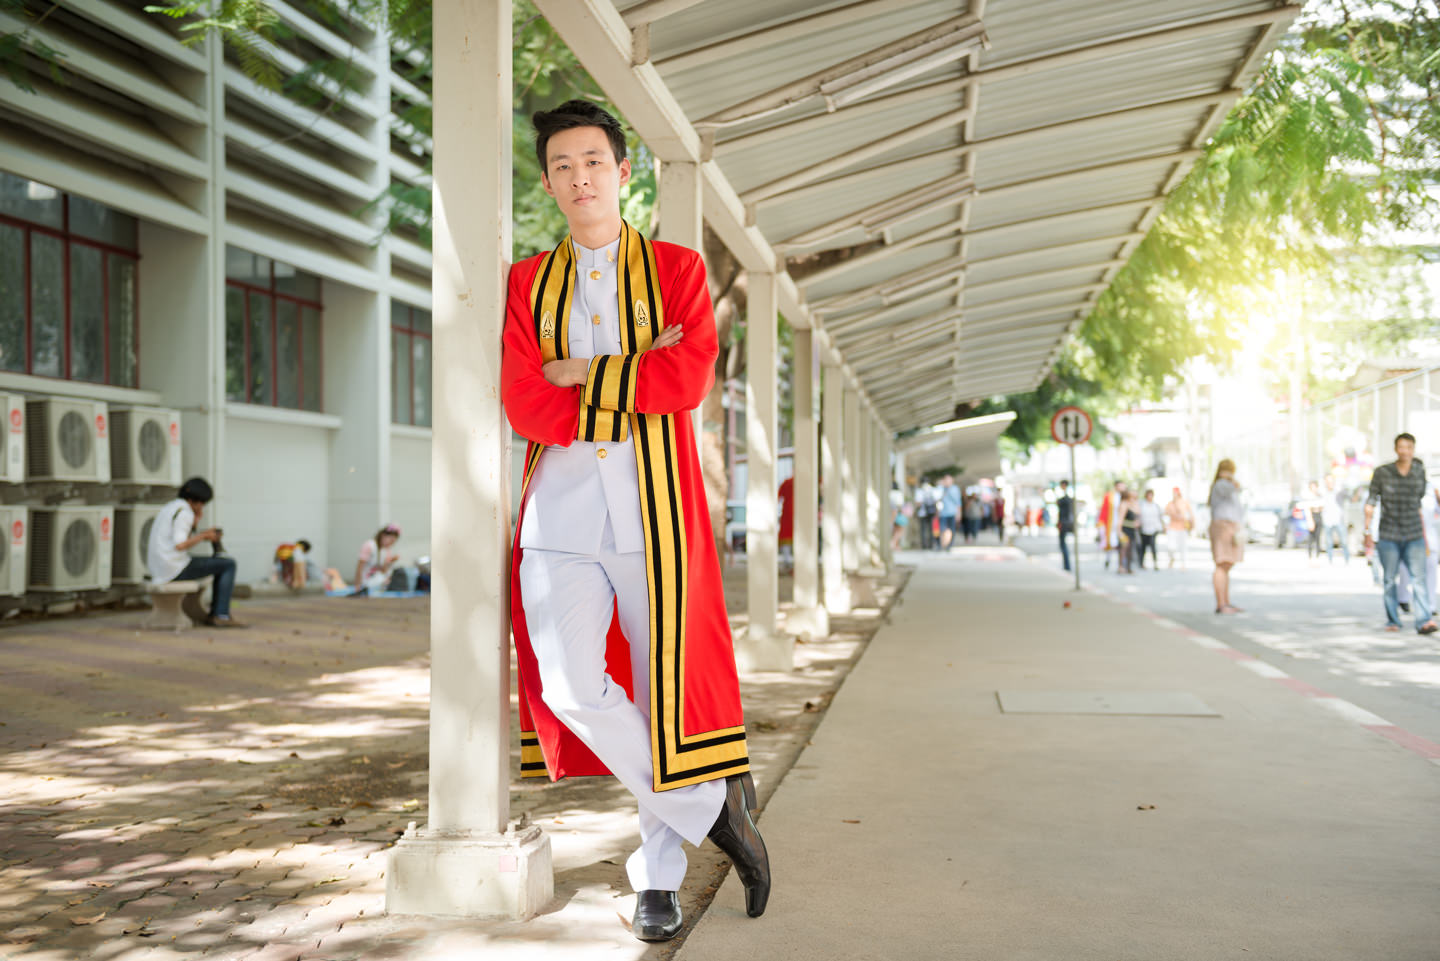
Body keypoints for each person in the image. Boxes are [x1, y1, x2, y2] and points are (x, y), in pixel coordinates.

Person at [499, 100, 767, 943]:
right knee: (572, 684)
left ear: (624, 172)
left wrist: (577, 371)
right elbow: (525, 402)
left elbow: (683, 383)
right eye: (564, 165)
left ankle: (658, 880)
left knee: (664, 697)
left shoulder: (681, 270)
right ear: (548, 182)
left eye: (594, 160)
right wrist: (628, 373)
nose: (581, 176)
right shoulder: (525, 282)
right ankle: (710, 807)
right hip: (560, 516)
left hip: (657, 513)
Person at [1364, 432, 1438, 634]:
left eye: (1409, 447)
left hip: (1413, 532)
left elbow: (1422, 495)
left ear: (1413, 449)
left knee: (1419, 579)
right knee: (1389, 579)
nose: (1405, 451)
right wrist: (1367, 530)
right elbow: (1371, 501)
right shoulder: (1382, 472)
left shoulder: (1418, 469)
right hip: (1389, 533)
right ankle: (1393, 620)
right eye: (1401, 447)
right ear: (1396, 449)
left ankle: (1424, 620)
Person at [146, 477, 244, 627]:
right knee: (228, 564)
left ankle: (214, 612)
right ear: (197, 501)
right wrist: (204, 535)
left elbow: (178, 540)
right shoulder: (185, 512)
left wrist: (197, 528)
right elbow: (180, 545)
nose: (202, 507)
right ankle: (221, 615)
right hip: (172, 570)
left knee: (217, 564)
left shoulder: (171, 507)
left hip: (160, 568)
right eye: (203, 503)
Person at [1208, 460, 1244, 614]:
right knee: (1222, 564)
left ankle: (1226, 602)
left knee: (1227, 565)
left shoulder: (1221, 485)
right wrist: (1229, 477)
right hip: (1223, 526)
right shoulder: (1221, 484)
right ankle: (1221, 604)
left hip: (1230, 525)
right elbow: (1235, 487)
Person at [355, 524, 401, 594]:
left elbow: (384, 571)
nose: (391, 544)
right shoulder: (370, 545)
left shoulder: (386, 550)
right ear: (383, 535)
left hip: (377, 580)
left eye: (393, 542)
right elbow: (359, 567)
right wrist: (358, 585)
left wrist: (390, 562)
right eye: (391, 540)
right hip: (366, 581)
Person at [1320, 474, 1349, 564]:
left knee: (1344, 541)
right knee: (1329, 542)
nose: (1330, 483)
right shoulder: (1322, 493)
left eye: (1331, 481)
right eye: (1328, 482)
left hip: (1338, 520)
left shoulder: (1338, 492)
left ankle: (1347, 560)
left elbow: (1348, 497)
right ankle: (1330, 561)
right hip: (1327, 520)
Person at [1163, 487, 1192, 569]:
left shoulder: (1185, 503)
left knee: (1183, 547)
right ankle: (1172, 558)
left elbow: (1190, 514)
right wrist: (1165, 525)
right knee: (1170, 547)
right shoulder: (1170, 504)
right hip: (1172, 527)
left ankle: (1183, 564)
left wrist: (1191, 524)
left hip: (1182, 528)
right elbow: (1165, 515)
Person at [1098, 480, 1125, 569]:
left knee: (1120, 542)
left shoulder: (1124, 496)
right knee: (1110, 543)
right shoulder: (1109, 496)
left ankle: (1121, 562)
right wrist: (1101, 522)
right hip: (1110, 523)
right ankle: (1108, 559)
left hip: (1121, 523)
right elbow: (1104, 509)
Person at [1137, 488, 1164, 570]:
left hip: (1153, 529)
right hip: (1144, 529)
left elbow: (1160, 517)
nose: (1150, 497)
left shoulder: (1155, 506)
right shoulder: (1142, 505)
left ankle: (1155, 563)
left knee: (1153, 546)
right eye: (1148, 495)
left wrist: (1162, 526)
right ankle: (1141, 563)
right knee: (1143, 547)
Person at [1056, 480, 1076, 572]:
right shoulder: (1068, 498)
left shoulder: (1066, 498)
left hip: (1064, 523)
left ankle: (1067, 566)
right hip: (1065, 523)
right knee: (1063, 544)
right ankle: (1066, 565)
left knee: (1063, 544)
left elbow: (1059, 502)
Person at [1119, 490, 1140, 574]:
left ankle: (1128, 567)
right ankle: (1121, 567)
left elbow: (1138, 512)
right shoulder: (1124, 504)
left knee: (1130, 549)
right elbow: (1120, 519)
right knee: (1124, 548)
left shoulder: (1132, 504)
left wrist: (1134, 502)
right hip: (1125, 529)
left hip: (1132, 530)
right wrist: (1119, 531)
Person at [914, 478, 938, 551]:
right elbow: (937, 500)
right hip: (931, 512)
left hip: (923, 512)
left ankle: (924, 545)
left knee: (923, 529)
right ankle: (931, 544)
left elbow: (918, 503)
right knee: (931, 529)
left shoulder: (919, 491)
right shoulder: (933, 490)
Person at [776, 476, 794, 571]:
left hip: (788, 513)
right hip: (794, 513)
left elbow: (778, 496)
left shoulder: (787, 482)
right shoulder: (788, 482)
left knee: (786, 538)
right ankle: (788, 562)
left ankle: (787, 562)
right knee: (787, 538)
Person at [939, 476, 960, 550]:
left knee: (951, 529)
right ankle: (943, 543)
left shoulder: (954, 489)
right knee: (942, 529)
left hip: (952, 512)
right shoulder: (941, 488)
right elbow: (937, 498)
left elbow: (958, 502)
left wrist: (959, 513)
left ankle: (949, 544)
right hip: (942, 513)